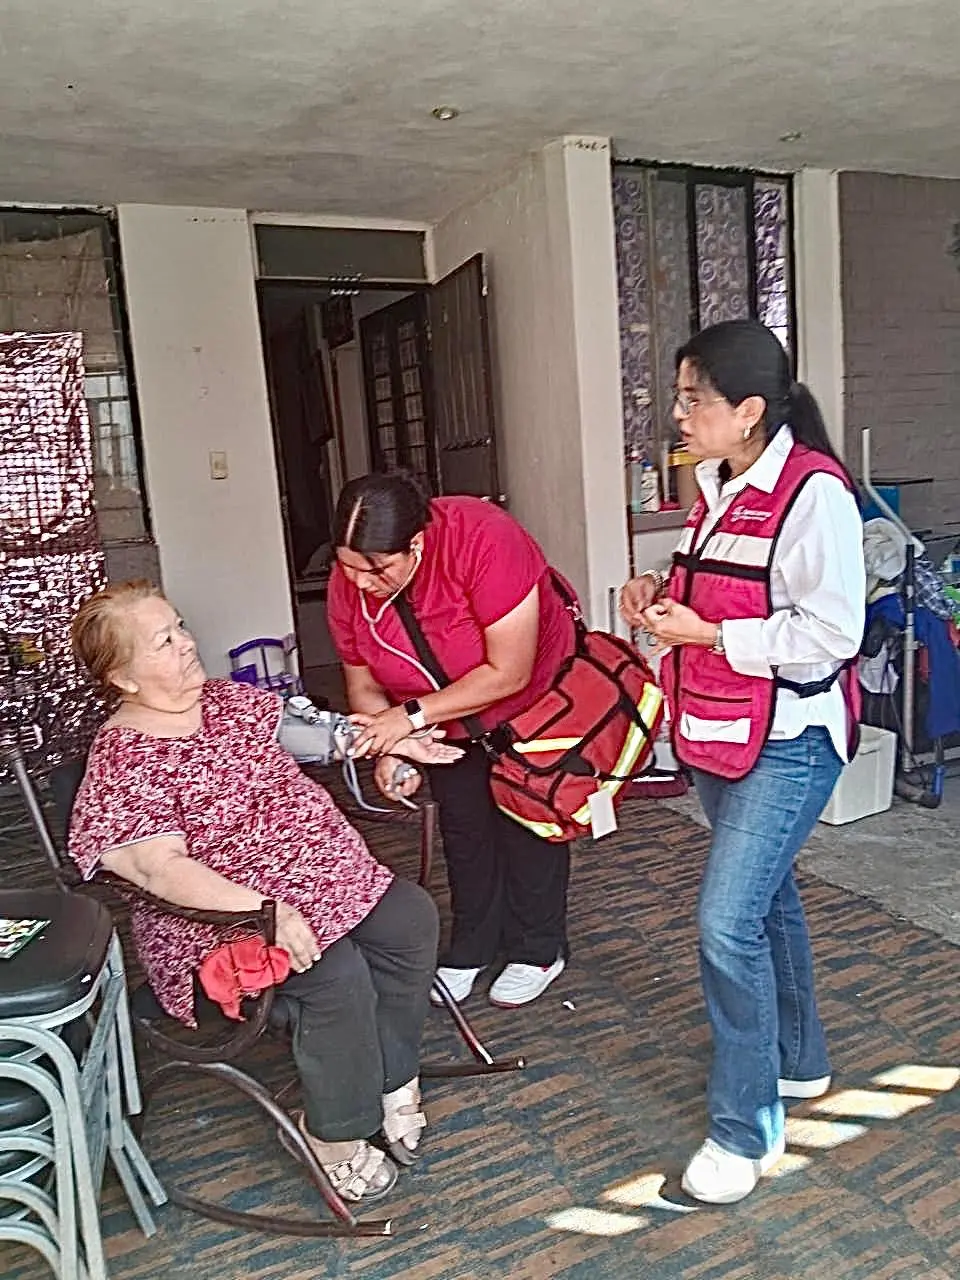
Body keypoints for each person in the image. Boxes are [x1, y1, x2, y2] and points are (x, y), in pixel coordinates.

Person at [68, 579, 463, 1203]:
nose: (187, 643)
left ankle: (392, 1074)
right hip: (222, 922)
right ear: (123, 677)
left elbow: (314, 732)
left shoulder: (227, 702)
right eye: (163, 641)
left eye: (180, 626)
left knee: (410, 919)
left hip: (322, 880)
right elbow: (160, 871)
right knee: (335, 972)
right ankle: (334, 1132)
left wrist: (390, 740)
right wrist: (265, 911)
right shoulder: (123, 758)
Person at [620, 319, 865, 1205]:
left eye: (694, 400)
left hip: (790, 738)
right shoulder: (719, 485)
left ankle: (744, 1130)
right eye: (678, 398)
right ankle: (798, 1063)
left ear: (751, 410)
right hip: (720, 728)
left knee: (727, 924)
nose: (677, 417)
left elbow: (833, 635)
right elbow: (721, 579)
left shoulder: (816, 495)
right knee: (769, 903)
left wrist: (715, 633)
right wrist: (659, 592)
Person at [326, 474, 578, 1009]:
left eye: (376, 570)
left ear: (415, 544)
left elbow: (509, 671)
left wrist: (409, 717)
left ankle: (538, 947)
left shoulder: (483, 536)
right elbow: (363, 685)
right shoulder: (349, 580)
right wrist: (394, 749)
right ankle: (474, 944)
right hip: (440, 722)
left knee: (529, 818)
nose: (361, 582)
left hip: (528, 699)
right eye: (347, 567)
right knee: (465, 827)